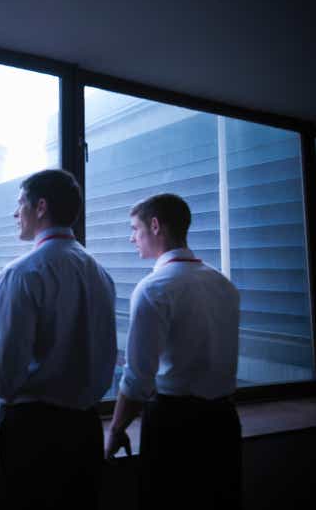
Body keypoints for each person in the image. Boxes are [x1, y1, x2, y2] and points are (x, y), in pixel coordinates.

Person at [0, 169, 116, 510]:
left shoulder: (21, 273)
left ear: (40, 207)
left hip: (32, 439)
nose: (16, 214)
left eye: (20, 204)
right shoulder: (100, 274)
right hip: (86, 432)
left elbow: (4, 378)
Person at [105, 193, 241, 510]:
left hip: (175, 425)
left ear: (155, 226)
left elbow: (138, 379)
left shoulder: (154, 288)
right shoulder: (223, 285)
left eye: (135, 229)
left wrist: (116, 429)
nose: (131, 238)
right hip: (223, 422)